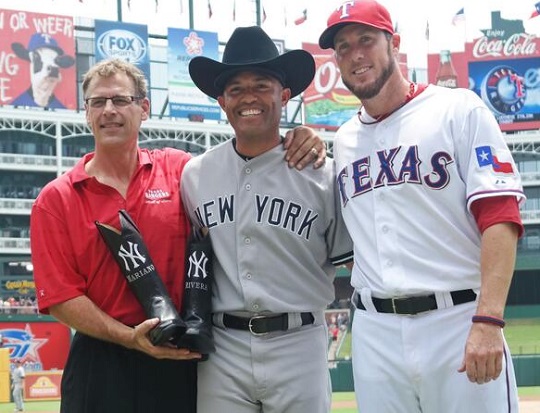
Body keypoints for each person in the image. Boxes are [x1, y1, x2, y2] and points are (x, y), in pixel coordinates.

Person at [29, 58, 327, 413]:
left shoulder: (180, 170)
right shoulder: (56, 198)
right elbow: (62, 297)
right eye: (98, 102)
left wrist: (297, 138)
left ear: (144, 108)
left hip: (178, 352)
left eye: (120, 100)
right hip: (102, 356)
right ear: (87, 113)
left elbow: (244, 160)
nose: (109, 110)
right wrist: (130, 338)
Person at [318, 1, 526, 412]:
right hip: (376, 329)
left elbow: (501, 216)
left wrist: (488, 320)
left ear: (394, 43)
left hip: (458, 318)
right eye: (342, 47)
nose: (355, 54)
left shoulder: (457, 109)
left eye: (366, 40)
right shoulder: (342, 141)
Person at [182, 26, 354, 413]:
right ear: (222, 102)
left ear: (285, 95)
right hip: (223, 349)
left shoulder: (323, 173)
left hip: (300, 342)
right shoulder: (193, 176)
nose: (249, 98)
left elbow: (353, 260)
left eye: (261, 85)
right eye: (236, 89)